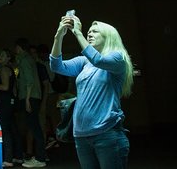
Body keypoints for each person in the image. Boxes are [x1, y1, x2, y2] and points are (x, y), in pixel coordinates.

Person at [49, 14, 134, 169]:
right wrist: (59, 35)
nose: (89, 33)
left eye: (95, 31)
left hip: (106, 133)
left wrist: (78, 33)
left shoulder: (118, 58)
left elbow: (99, 61)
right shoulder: (84, 62)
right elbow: (56, 66)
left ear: (108, 37)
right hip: (81, 135)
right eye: (88, 31)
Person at [14, 38, 48, 167]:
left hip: (30, 97)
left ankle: (40, 158)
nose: (15, 51)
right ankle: (41, 156)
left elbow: (29, 81)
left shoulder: (24, 60)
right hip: (33, 97)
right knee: (35, 126)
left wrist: (27, 99)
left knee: (35, 127)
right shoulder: (29, 60)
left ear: (19, 48)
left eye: (16, 48)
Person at [0, 48, 24, 167]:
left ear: (8, 58)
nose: (0, 57)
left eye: (2, 55)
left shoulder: (4, 69)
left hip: (4, 102)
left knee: (5, 130)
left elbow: (5, 87)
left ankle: (8, 159)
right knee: (13, 129)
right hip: (10, 102)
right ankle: (18, 156)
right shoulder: (10, 69)